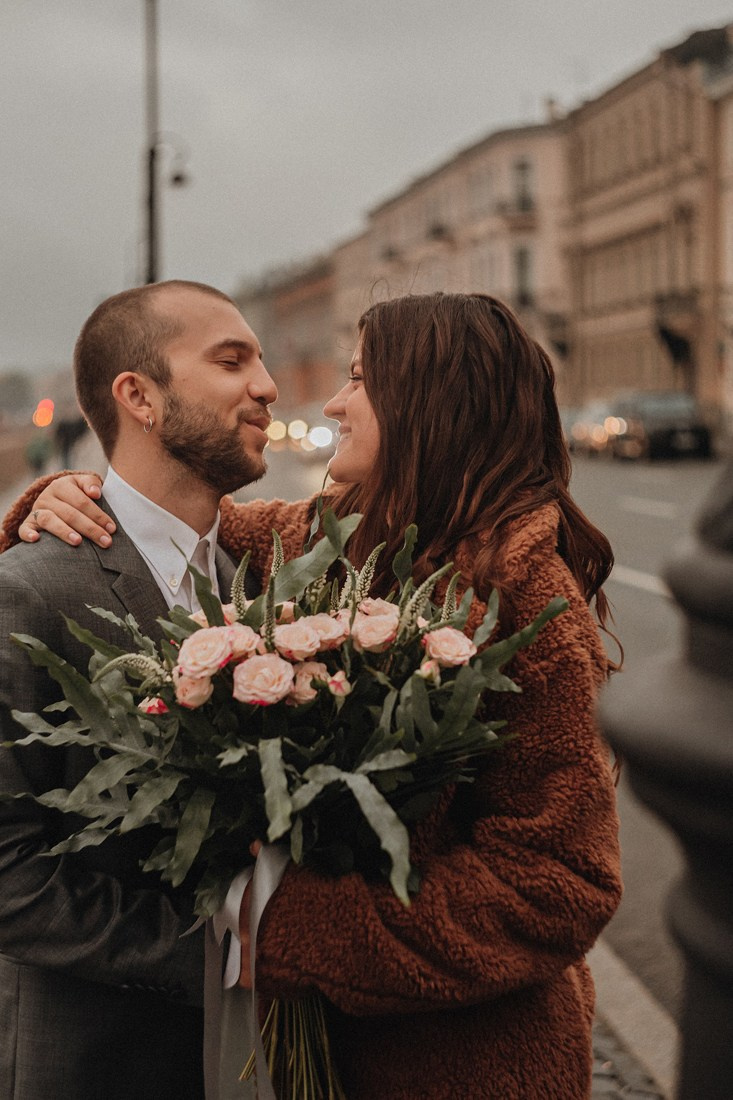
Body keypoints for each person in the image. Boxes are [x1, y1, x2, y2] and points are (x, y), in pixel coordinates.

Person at [4, 292, 622, 1099]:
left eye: (360, 381)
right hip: (320, 1061)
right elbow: (163, 521)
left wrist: (291, 935)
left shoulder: (524, 594)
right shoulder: (334, 539)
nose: (324, 400)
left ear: (432, 403)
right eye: (234, 361)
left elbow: (561, 882)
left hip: (466, 1063)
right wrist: (52, 505)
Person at [0, 279, 277, 1099]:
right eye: (232, 361)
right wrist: (221, 960)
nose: (266, 385)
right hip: (95, 1062)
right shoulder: (31, 588)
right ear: (139, 397)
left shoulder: (256, 584)